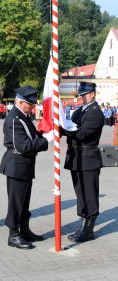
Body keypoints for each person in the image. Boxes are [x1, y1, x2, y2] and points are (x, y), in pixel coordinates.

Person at [0, 85, 54, 249]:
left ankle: (24, 230)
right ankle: (13, 234)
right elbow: (23, 145)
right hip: (17, 165)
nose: (33, 107)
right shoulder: (15, 119)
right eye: (30, 104)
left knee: (24, 201)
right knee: (16, 202)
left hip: (25, 165)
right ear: (22, 102)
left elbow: (31, 136)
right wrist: (46, 141)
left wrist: (42, 135)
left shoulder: (23, 116)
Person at [62, 82, 104, 243]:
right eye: (80, 95)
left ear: (92, 94)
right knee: (80, 193)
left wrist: (64, 130)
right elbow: (71, 126)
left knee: (89, 194)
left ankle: (88, 228)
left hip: (88, 159)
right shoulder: (79, 111)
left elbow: (82, 134)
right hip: (76, 159)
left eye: (84, 95)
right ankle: (83, 221)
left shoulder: (95, 112)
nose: (81, 98)